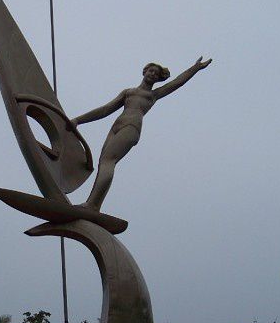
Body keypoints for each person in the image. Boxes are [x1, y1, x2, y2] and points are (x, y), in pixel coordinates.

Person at [71, 56, 212, 210]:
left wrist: (195, 68)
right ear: (144, 71)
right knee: (103, 162)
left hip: (131, 127)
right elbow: (106, 109)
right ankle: (94, 204)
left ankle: (92, 204)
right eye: (151, 71)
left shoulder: (153, 95)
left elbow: (177, 82)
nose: (153, 74)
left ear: (158, 79)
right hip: (116, 126)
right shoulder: (128, 92)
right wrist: (78, 120)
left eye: (156, 74)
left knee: (108, 161)